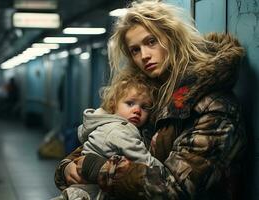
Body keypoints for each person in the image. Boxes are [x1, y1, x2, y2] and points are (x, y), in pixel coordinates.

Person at [54, 1, 247, 199]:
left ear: (171, 37)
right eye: (135, 50)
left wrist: (101, 169)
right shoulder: (149, 97)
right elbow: (102, 140)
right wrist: (67, 167)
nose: (144, 55)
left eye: (151, 41)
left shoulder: (213, 106)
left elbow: (176, 189)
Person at [58, 74, 162, 200]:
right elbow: (145, 161)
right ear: (113, 105)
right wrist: (163, 169)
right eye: (130, 103)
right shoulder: (119, 131)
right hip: (91, 193)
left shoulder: (105, 124)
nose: (137, 110)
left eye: (144, 107)